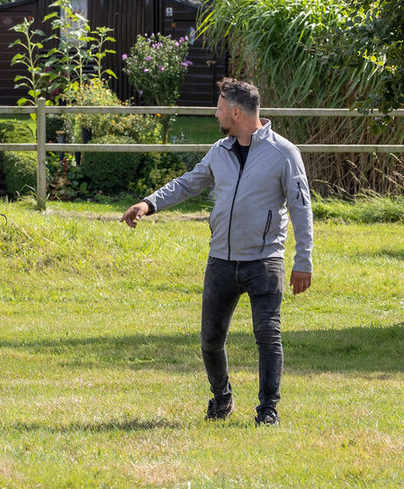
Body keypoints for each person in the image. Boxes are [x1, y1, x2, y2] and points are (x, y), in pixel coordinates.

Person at [121, 79, 313, 427]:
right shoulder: (219, 151)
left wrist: (304, 260)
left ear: (235, 113)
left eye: (220, 108)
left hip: (264, 260)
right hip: (221, 261)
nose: (216, 113)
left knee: (267, 335)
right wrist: (148, 204)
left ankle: (268, 409)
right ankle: (222, 398)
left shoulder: (284, 153)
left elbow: (301, 208)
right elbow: (188, 183)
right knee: (210, 340)